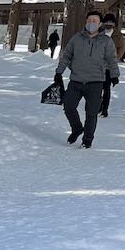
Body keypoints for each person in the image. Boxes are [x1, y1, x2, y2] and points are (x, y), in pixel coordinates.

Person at [52, 10, 120, 148]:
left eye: (94, 21)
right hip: (76, 80)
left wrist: (114, 75)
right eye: (89, 21)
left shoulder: (106, 41)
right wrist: (59, 72)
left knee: (91, 113)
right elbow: (66, 56)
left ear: (100, 24)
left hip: (95, 82)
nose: (91, 23)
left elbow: (112, 59)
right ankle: (77, 128)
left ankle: (87, 140)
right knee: (69, 106)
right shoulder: (77, 38)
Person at [99, 15, 120, 117]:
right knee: (98, 88)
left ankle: (105, 109)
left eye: (111, 22)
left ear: (114, 24)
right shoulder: (99, 34)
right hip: (98, 66)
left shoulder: (118, 35)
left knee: (107, 88)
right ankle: (99, 106)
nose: (109, 24)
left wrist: (115, 57)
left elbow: (122, 47)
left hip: (109, 67)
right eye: (106, 22)